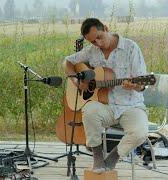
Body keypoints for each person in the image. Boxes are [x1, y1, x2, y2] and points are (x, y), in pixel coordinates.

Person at [63, 18, 148, 173]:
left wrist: (135, 85)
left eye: (100, 37)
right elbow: (67, 62)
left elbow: (142, 84)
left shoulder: (131, 48)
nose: (98, 44)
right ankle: (97, 156)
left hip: (131, 106)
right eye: (93, 41)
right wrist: (77, 82)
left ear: (106, 28)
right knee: (89, 110)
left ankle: (113, 157)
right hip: (105, 106)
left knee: (140, 133)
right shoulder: (91, 51)